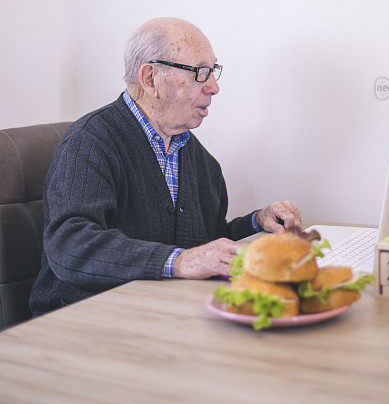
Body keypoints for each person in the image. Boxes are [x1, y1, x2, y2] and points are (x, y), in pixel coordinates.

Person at [30, 17, 302, 316]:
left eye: (213, 71)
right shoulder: (90, 141)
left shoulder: (200, 160)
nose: (214, 87)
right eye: (200, 72)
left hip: (159, 313)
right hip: (82, 320)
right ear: (150, 78)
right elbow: (70, 246)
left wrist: (257, 222)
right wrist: (181, 261)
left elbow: (204, 244)